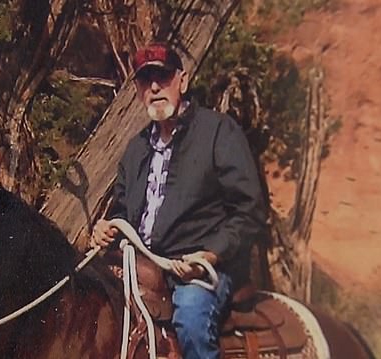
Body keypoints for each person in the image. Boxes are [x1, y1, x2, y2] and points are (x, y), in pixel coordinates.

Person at [91, 43, 267, 359]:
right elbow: (122, 211)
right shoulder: (135, 150)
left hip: (199, 271)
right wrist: (106, 229)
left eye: (163, 76)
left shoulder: (218, 132)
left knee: (191, 319)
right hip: (140, 267)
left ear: (182, 81)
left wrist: (210, 255)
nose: (155, 87)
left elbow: (249, 208)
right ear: (138, 90)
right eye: (146, 80)